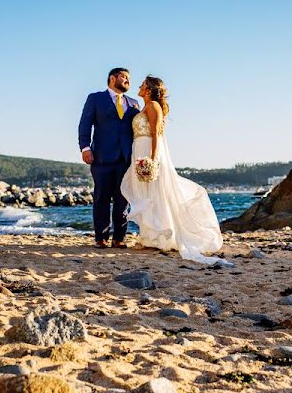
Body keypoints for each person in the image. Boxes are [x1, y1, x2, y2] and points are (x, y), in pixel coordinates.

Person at [120, 75, 225, 264]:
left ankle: (162, 237)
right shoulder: (142, 107)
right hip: (138, 150)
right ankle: (150, 236)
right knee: (144, 193)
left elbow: (155, 134)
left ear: (150, 90)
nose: (140, 86)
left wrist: (152, 159)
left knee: (155, 193)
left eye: (143, 85)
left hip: (147, 151)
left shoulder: (153, 106)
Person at [77, 68, 140, 248]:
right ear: (112, 78)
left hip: (126, 159)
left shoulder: (134, 103)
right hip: (101, 157)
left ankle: (119, 238)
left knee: (123, 200)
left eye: (129, 78)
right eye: (124, 77)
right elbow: (85, 124)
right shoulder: (95, 98)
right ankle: (101, 238)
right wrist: (85, 148)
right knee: (101, 198)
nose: (128, 80)